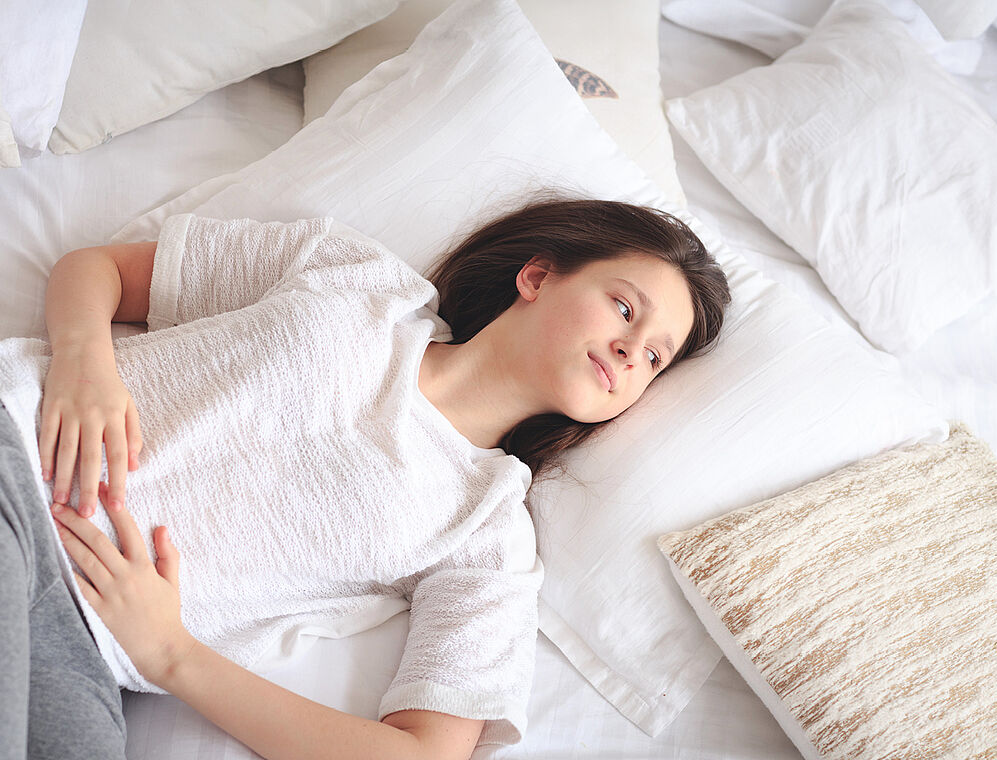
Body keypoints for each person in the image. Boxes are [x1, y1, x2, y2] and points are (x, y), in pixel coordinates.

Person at [0, 195, 731, 760]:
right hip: (16, 458)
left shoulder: (488, 535)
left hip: (86, 649)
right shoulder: (353, 276)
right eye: (625, 307)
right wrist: (82, 364)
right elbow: (101, 269)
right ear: (537, 276)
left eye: (656, 357)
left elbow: (420, 752)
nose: (633, 349)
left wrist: (173, 656)